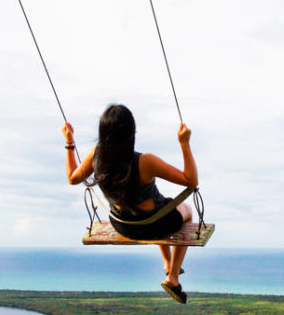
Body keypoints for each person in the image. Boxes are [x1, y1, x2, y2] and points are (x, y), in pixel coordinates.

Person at [63, 104, 198, 304]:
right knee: (185, 210)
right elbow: (191, 180)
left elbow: (72, 178)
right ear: (132, 132)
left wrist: (69, 142)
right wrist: (184, 143)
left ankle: (167, 262)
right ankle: (173, 276)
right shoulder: (146, 162)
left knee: (163, 206)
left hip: (123, 225)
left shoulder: (95, 157)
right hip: (155, 225)